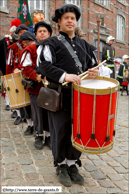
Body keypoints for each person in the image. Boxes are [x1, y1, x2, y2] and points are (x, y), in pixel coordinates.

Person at [37, 4, 98, 186]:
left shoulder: (85, 45)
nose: (70, 21)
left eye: (72, 18)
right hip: (60, 96)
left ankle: (72, 164)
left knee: (77, 131)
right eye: (66, 18)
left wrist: (94, 73)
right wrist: (65, 76)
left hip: (82, 98)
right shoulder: (50, 43)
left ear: (75, 21)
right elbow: (44, 66)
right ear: (59, 22)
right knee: (60, 131)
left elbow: (92, 67)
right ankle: (61, 164)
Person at [20, 22, 52, 149]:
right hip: (36, 88)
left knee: (49, 112)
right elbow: (25, 68)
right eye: (40, 31)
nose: (42, 33)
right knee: (37, 113)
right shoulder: (30, 50)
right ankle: (39, 135)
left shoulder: (54, 48)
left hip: (51, 88)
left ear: (49, 34)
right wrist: (36, 76)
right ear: (36, 34)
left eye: (45, 31)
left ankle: (49, 136)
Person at [6, 24, 28, 124]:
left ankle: (28, 118)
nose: (23, 34)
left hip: (27, 74)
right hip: (16, 74)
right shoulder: (14, 47)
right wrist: (9, 77)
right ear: (18, 34)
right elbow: (9, 63)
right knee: (18, 95)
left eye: (25, 32)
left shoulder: (31, 44)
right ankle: (19, 115)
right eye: (21, 32)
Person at [0, 19, 22, 111]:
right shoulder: (4, 41)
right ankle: (8, 103)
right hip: (6, 67)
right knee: (7, 86)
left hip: (17, 67)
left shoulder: (22, 42)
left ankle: (17, 106)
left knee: (18, 86)